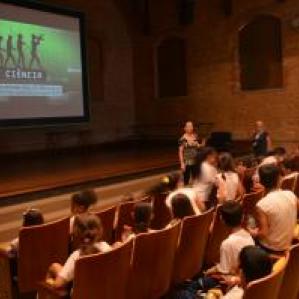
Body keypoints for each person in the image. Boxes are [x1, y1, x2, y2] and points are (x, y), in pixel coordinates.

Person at [46, 214, 111, 289]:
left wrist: (49, 281)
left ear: (76, 233)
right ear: (100, 231)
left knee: (51, 277)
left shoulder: (76, 257)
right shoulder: (106, 247)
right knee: (54, 266)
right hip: (104, 292)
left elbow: (57, 285)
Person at [249, 164, 298, 253]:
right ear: (279, 179)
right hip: (288, 244)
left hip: (272, 249)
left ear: (261, 181)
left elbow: (263, 233)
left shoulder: (262, 204)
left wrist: (252, 232)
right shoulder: (291, 194)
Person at [205, 201, 254, 279]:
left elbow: (224, 270)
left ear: (222, 220)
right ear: (242, 217)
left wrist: (210, 271)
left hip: (234, 279)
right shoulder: (248, 234)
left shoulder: (227, 243)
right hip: (245, 274)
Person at [179, 121, 205, 185]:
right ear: (185, 128)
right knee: (186, 180)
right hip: (187, 162)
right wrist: (182, 163)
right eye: (188, 126)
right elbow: (180, 151)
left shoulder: (195, 136)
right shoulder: (182, 139)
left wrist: (202, 144)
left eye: (191, 126)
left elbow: (198, 146)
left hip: (195, 161)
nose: (190, 128)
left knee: (195, 178)